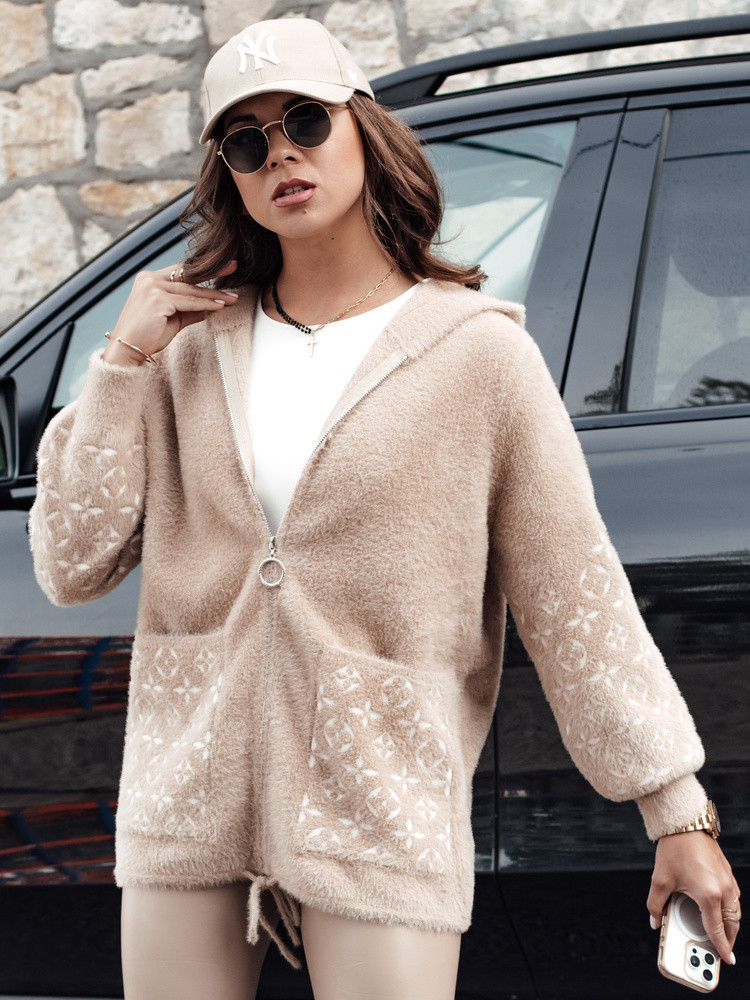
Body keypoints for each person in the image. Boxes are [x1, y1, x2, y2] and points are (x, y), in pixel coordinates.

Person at [28, 16, 740, 1000]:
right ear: (229, 177)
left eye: (305, 121)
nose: (281, 153)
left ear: (363, 128)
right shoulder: (183, 350)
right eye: (247, 142)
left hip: (380, 799)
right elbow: (71, 563)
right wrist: (120, 361)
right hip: (189, 797)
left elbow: (575, 597)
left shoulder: (478, 355)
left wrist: (676, 810)